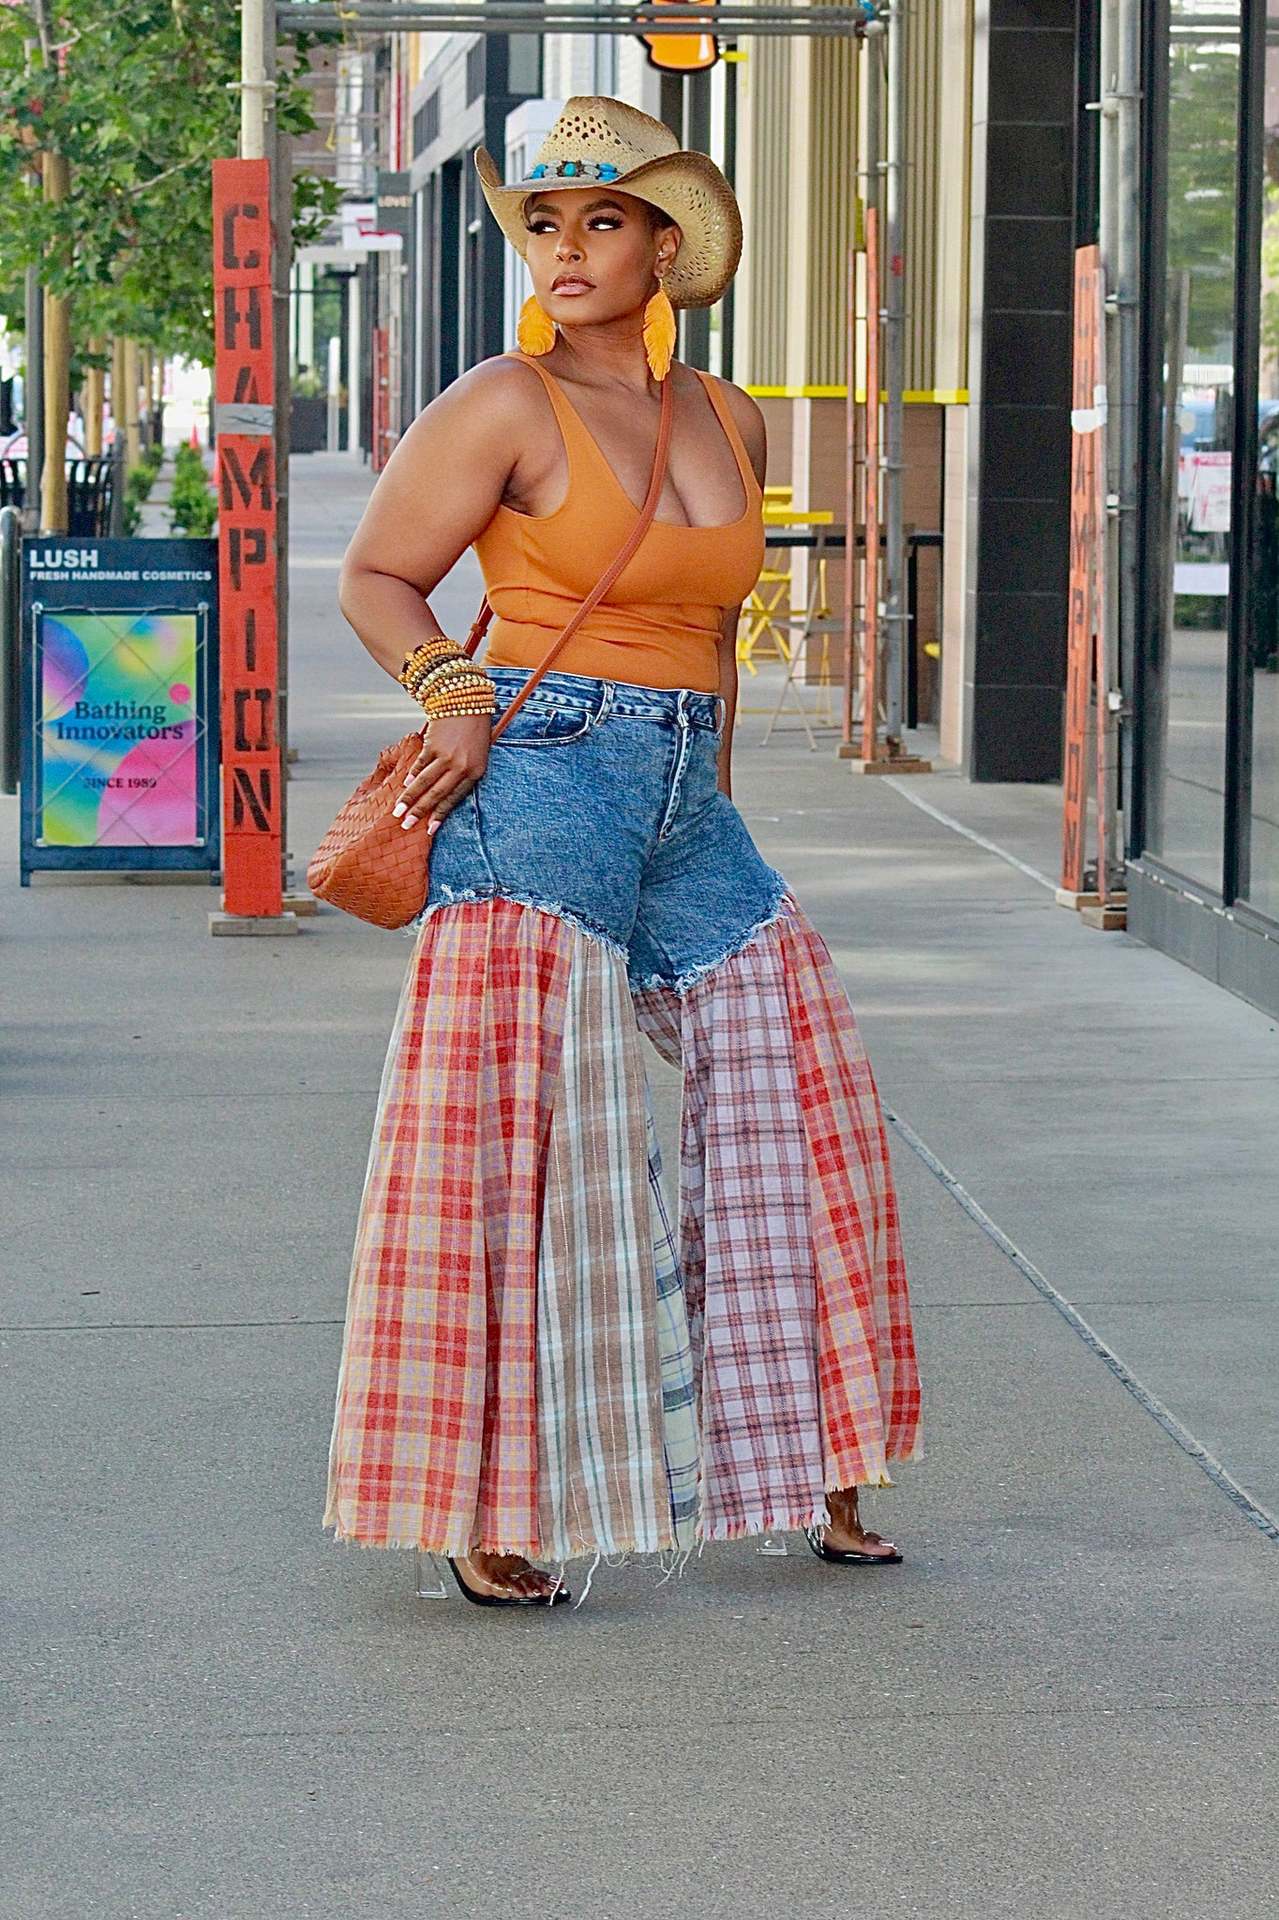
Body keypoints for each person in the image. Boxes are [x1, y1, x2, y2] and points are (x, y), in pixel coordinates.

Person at [322, 96, 922, 1608]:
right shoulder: (502, 401)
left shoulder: (727, 414)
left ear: (666, 246)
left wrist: (707, 786)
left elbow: (711, 633)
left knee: (794, 1082)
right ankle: (484, 1502)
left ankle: (810, 1460)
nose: (569, 248)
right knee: (519, 1138)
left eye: (604, 220)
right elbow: (379, 574)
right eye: (546, 222)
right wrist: (454, 697)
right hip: (541, 775)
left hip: (679, 793)